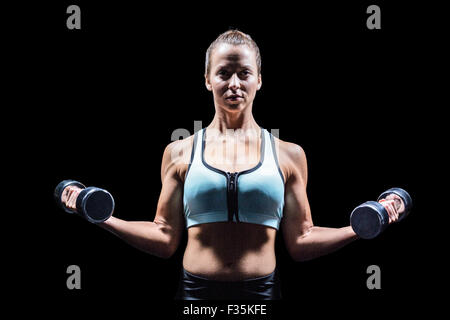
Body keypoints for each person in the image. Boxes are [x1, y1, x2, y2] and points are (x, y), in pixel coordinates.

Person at [61, 30, 402, 300]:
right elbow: (164, 236)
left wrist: (362, 227)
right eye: (224, 73)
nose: (235, 83)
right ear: (208, 80)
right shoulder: (179, 152)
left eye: (244, 73)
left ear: (259, 80)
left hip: (261, 296)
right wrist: (101, 217)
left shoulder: (289, 154)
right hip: (196, 297)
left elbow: (300, 242)